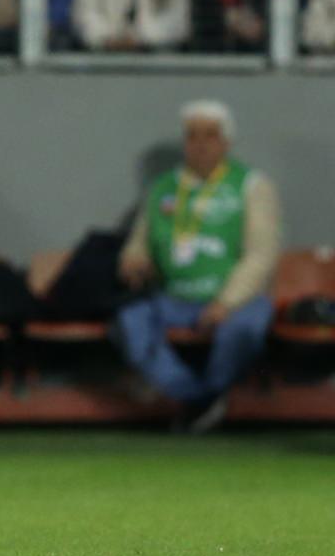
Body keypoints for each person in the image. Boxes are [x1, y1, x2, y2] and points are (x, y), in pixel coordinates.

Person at [116, 100, 280, 432]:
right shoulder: (163, 187)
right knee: (130, 322)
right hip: (173, 298)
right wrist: (134, 258)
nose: (201, 144)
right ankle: (198, 398)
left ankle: (207, 397)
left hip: (234, 300)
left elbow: (261, 255)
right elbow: (140, 240)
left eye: (210, 135)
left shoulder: (251, 185)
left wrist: (226, 302)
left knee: (245, 328)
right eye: (192, 136)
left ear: (226, 142)